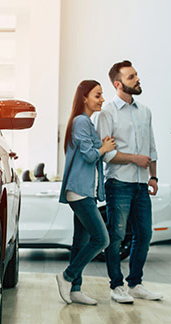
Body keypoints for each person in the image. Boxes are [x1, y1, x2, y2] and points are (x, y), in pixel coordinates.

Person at [96, 60, 163, 304]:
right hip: (118, 183)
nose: (137, 79)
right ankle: (116, 285)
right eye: (132, 77)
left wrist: (153, 175)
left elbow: (151, 147)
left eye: (136, 75)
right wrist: (135, 159)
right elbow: (105, 154)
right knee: (116, 236)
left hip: (141, 185)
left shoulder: (145, 111)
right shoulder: (107, 113)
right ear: (118, 83)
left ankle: (136, 283)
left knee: (144, 235)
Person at [55, 80, 116, 305]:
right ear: (84, 98)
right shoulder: (81, 121)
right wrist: (104, 148)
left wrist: (101, 146)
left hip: (84, 190)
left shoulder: (86, 122)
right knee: (102, 239)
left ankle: (75, 289)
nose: (101, 99)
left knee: (80, 241)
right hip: (79, 191)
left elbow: (90, 153)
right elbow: (90, 156)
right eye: (97, 95)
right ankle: (67, 276)